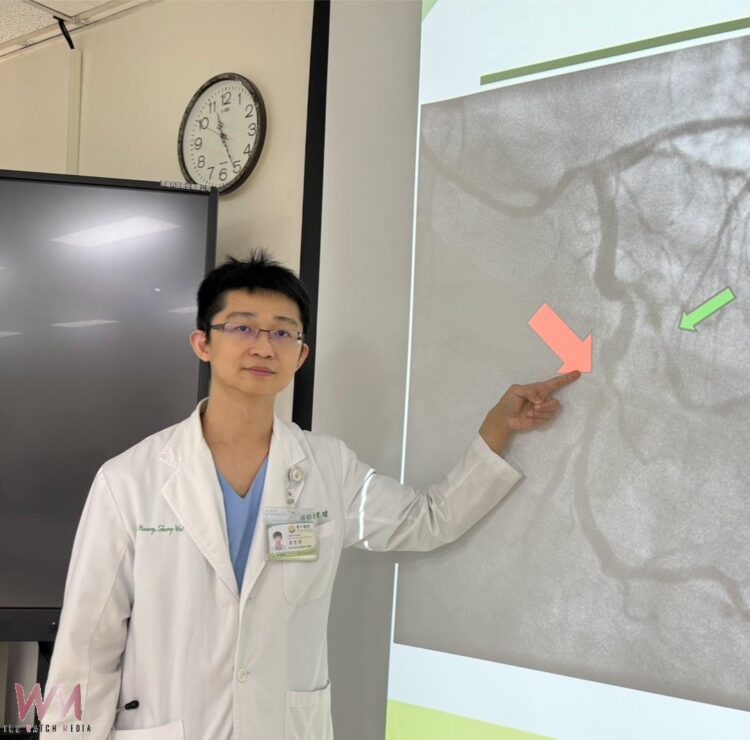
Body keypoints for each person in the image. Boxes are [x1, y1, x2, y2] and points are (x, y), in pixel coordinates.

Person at [42, 248, 581, 739]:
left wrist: (497, 427)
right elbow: (86, 649)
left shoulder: (327, 468)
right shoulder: (129, 480)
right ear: (203, 343)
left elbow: (427, 520)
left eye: (283, 333)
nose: (263, 346)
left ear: (300, 356)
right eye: (242, 327)